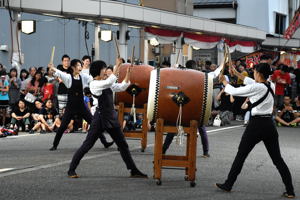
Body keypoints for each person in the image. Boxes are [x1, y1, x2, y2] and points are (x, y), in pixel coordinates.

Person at [216, 63, 295, 199]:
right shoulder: (271, 85)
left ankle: (228, 184)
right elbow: (251, 81)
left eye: (254, 71)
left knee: (241, 156)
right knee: (278, 159)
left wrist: (224, 81)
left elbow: (234, 91)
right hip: (269, 125)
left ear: (258, 73)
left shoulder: (256, 87)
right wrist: (236, 73)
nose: (253, 73)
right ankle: (290, 191)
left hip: (256, 125)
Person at [67, 58, 147, 178]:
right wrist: (117, 66)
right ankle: (71, 169)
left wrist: (128, 73)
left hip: (111, 117)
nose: (105, 71)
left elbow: (122, 87)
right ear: (98, 71)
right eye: (104, 69)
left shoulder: (105, 82)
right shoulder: (94, 84)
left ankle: (133, 170)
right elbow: (109, 82)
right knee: (87, 144)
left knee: (123, 145)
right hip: (100, 118)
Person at [48, 59, 113, 151]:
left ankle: (105, 142)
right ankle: (55, 145)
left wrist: (103, 77)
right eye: (78, 65)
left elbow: (93, 78)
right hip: (70, 106)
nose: (80, 67)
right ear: (73, 67)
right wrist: (52, 68)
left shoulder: (84, 76)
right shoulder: (68, 77)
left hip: (81, 105)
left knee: (94, 124)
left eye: (81, 65)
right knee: (63, 126)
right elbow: (59, 73)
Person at [162, 60, 210, 157]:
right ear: (195, 67)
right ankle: (206, 151)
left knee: (172, 129)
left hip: (180, 107)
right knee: (201, 128)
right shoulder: (199, 77)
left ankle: (163, 150)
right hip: (194, 110)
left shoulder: (181, 76)